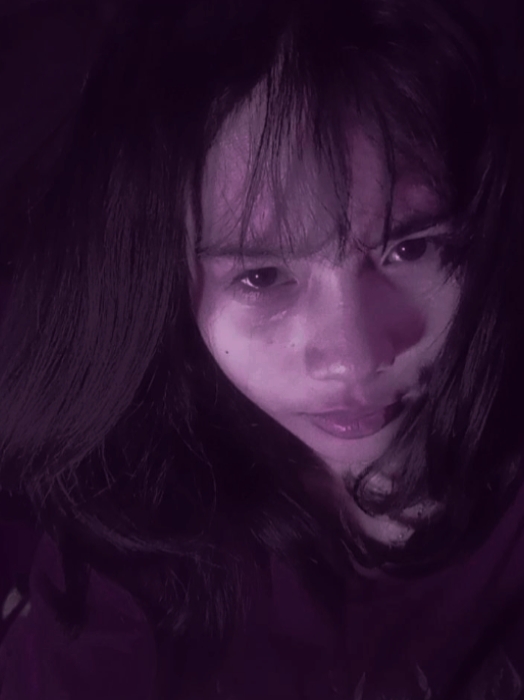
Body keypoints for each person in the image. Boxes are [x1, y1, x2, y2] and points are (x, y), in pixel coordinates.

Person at [0, 0, 523, 697]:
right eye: (261, 276)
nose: (354, 358)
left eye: (410, 247)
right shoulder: (132, 552)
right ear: (161, 293)